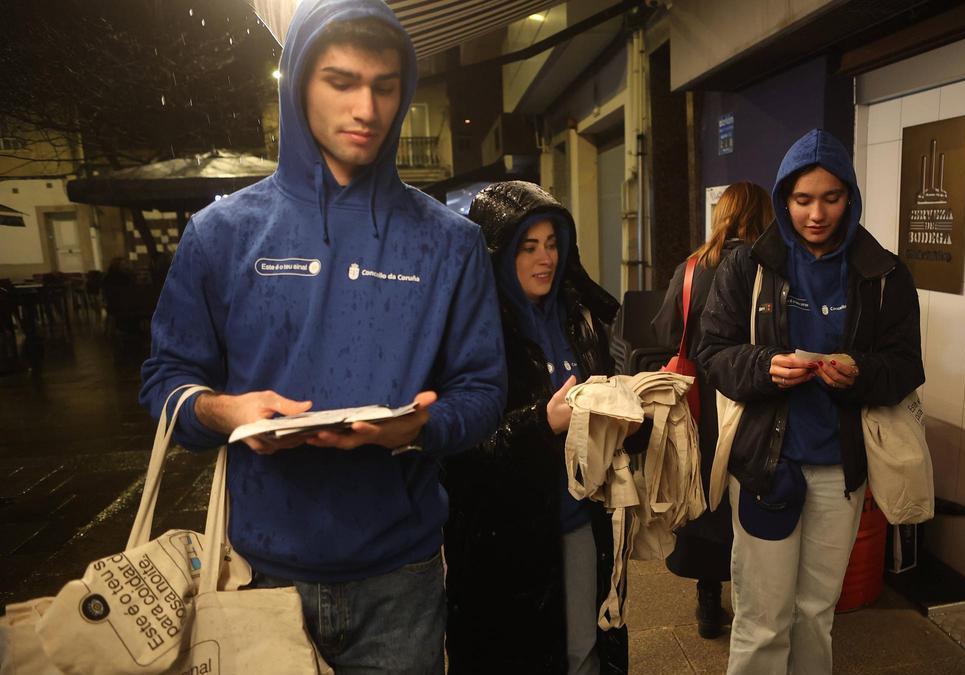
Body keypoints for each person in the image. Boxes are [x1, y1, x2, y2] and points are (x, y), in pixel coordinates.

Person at [138, 1, 507, 671]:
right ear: (299, 84)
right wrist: (227, 413)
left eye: (385, 86)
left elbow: (483, 391)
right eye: (341, 82)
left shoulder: (451, 242)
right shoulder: (221, 234)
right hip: (258, 575)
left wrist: (420, 427)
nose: (366, 108)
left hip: (401, 577)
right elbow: (165, 382)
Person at [697, 129, 924, 675]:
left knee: (816, 612)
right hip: (765, 466)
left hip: (840, 468)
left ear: (850, 197)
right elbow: (713, 352)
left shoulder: (884, 273)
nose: (816, 214)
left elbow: (905, 367)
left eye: (830, 198)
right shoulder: (749, 265)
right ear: (783, 198)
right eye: (802, 200)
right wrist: (764, 366)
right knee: (762, 618)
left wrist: (860, 372)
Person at [442, 181, 634, 675]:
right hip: (505, 543)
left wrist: (633, 413)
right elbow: (455, 450)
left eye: (551, 244)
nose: (545, 258)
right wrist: (541, 423)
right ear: (498, 253)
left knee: (586, 650)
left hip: (580, 519)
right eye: (528, 247)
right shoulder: (470, 330)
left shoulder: (578, 316)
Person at [650, 181, 773, 639]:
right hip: (756, 398)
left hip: (701, 401)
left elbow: (667, 331)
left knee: (703, 489)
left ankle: (707, 599)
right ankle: (754, 601)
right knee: (751, 490)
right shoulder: (769, 267)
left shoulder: (692, 268)